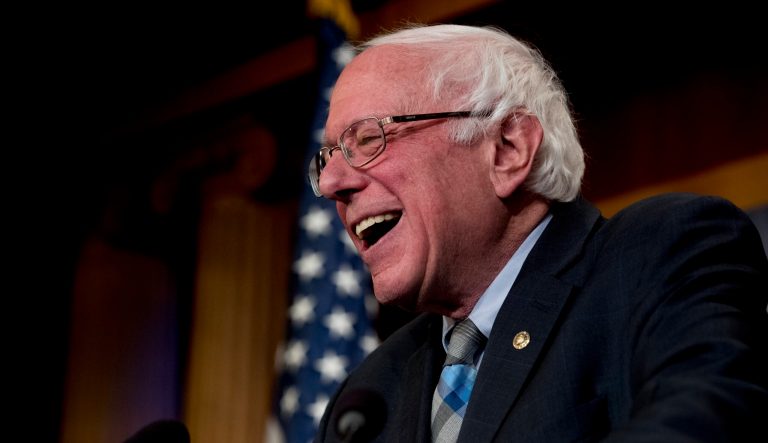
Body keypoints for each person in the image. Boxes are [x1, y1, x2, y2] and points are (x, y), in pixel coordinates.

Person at [309, 23, 768, 442]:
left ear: (508, 149)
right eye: (327, 158)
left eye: (368, 139)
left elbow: (706, 423)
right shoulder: (368, 394)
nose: (331, 184)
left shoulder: (663, 254)